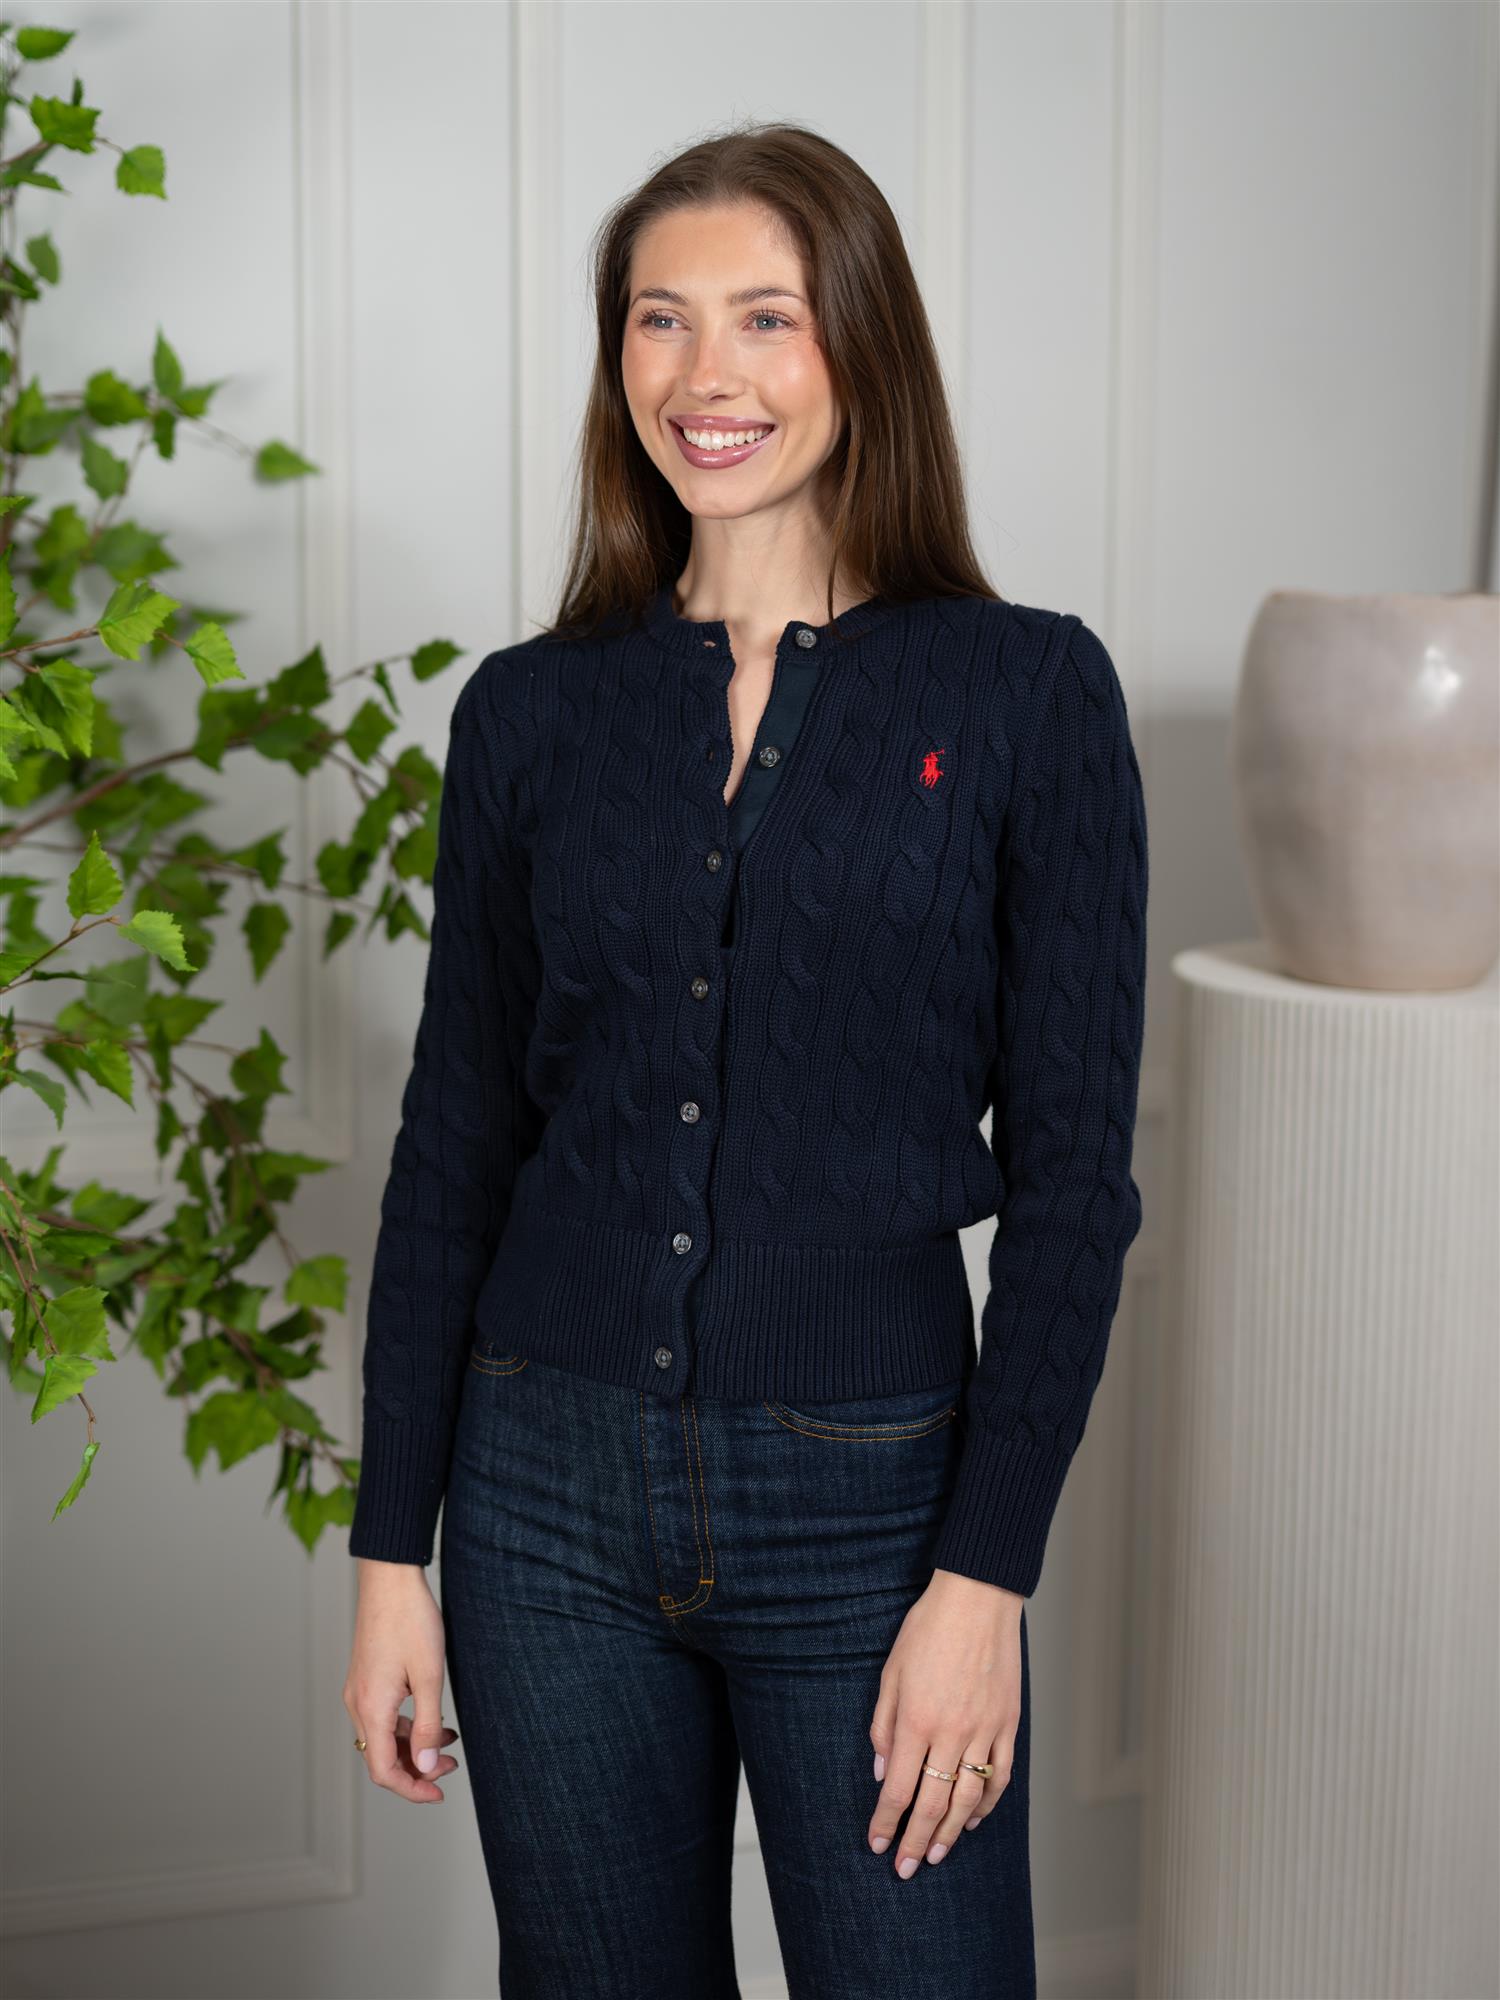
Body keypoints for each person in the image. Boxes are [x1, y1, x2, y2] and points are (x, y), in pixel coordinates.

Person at [341, 121, 1148, 2000]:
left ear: (861, 344)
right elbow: (454, 1146)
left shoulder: (1025, 692)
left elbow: (1075, 1189)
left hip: (876, 1509)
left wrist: (985, 1580)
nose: (706, 375)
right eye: (661, 319)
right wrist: (393, 1555)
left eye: (766, 317)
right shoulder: (529, 712)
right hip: (538, 1499)